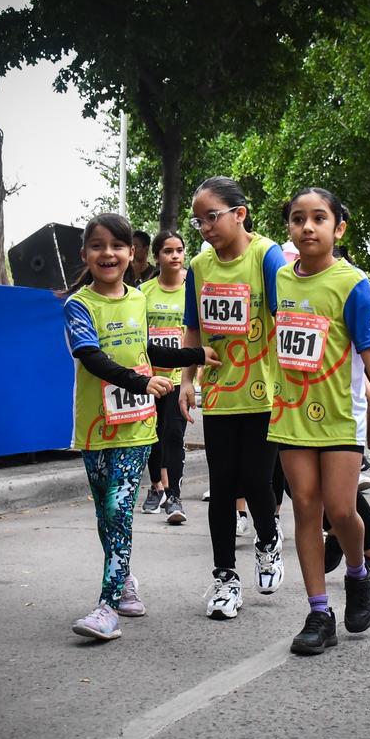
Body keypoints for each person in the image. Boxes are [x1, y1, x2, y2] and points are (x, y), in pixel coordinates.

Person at [63, 213, 215, 641]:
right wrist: (141, 381)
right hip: (94, 428)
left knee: (118, 509)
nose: (107, 254)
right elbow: (91, 356)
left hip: (136, 428)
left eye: (116, 246)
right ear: (86, 255)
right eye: (97, 246)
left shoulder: (138, 299)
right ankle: (126, 581)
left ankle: (107, 606)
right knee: (104, 513)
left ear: (132, 254)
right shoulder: (78, 306)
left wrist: (194, 356)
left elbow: (144, 347)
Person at [268, 188, 370, 655]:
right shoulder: (280, 280)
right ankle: (318, 611)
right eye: (298, 218)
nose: (307, 227)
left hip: (341, 416)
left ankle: (358, 574)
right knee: (305, 506)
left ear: (338, 228)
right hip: (290, 412)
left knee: (341, 510)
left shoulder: (353, 283)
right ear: (289, 228)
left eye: (319, 218)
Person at [179, 177, 289, 619]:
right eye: (197, 220)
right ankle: (225, 578)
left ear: (239, 214)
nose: (204, 227)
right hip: (221, 393)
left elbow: (286, 314)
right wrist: (188, 380)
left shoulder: (266, 254)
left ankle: (268, 541)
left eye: (212, 216)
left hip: (264, 392)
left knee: (256, 480)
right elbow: (193, 327)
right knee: (222, 486)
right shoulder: (200, 267)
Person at [139, 231, 191, 524]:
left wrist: (192, 378)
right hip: (149, 378)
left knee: (174, 432)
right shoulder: (143, 292)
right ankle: (156, 486)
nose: (174, 255)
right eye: (168, 251)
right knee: (153, 435)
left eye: (179, 250)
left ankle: (173, 495)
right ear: (157, 256)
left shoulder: (192, 291)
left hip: (179, 377)